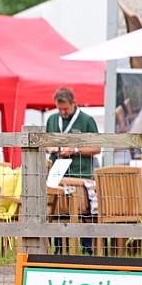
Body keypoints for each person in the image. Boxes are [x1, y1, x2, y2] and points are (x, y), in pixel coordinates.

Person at [45, 87, 100, 255]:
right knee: (58, 211)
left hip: (80, 173)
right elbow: (46, 143)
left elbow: (97, 147)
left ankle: (87, 249)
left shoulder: (87, 120)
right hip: (58, 172)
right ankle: (59, 249)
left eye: (65, 108)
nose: (62, 112)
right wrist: (52, 148)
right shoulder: (52, 119)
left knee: (84, 212)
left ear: (73, 103)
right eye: (59, 108)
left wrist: (75, 150)